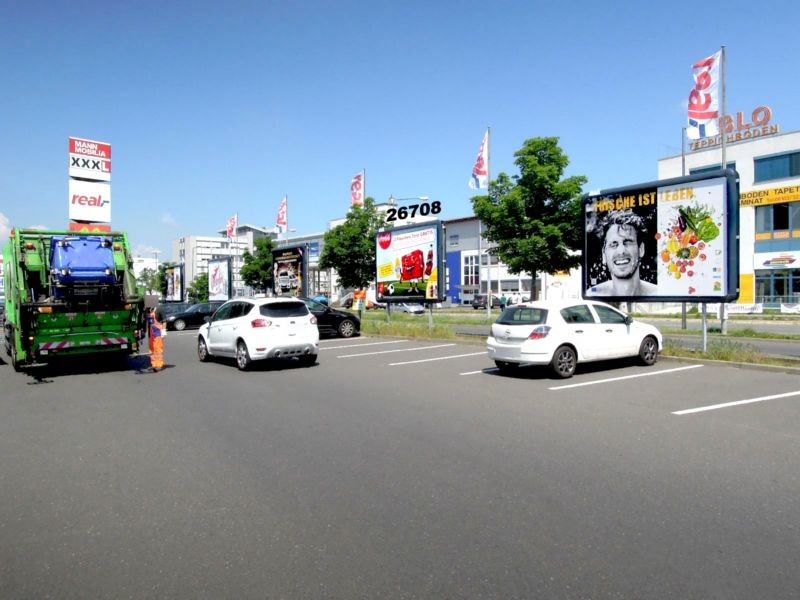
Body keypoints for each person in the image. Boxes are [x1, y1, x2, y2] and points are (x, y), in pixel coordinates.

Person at [587, 209, 657, 296]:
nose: (621, 251)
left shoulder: (659, 293)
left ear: (641, 249)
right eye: (613, 244)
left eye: (627, 242)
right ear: (604, 255)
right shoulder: (593, 294)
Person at [146, 307, 165, 372]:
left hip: (158, 333)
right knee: (152, 349)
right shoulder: (148, 310)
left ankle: (159, 365)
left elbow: (164, 321)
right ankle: (154, 364)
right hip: (151, 333)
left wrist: (163, 331)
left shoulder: (159, 309)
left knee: (158, 349)